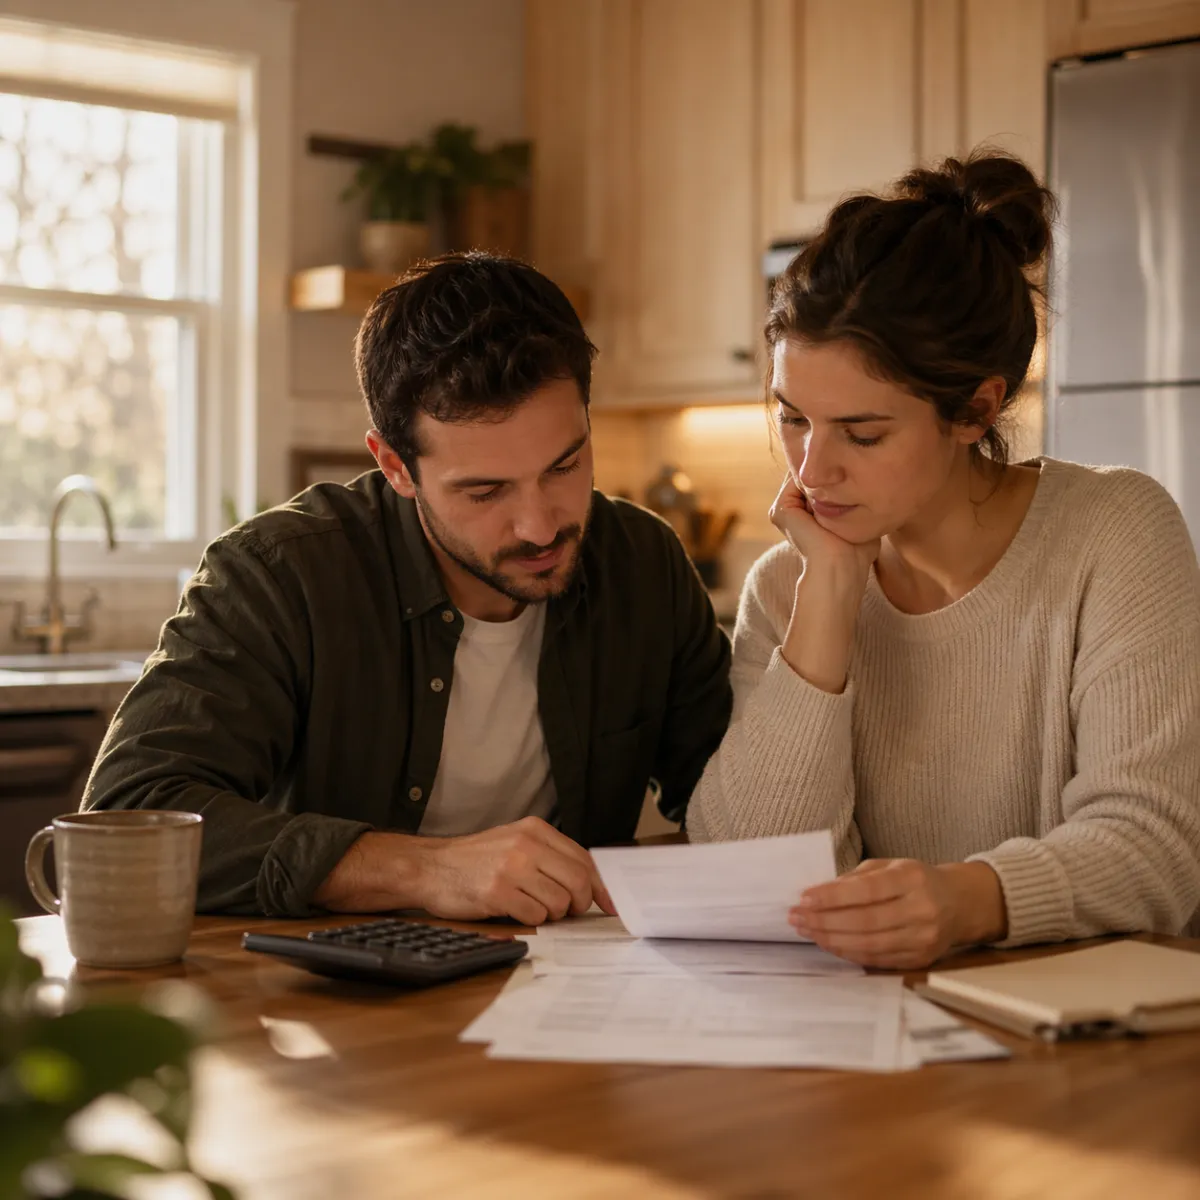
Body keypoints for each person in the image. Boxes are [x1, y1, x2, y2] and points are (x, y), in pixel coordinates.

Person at [84, 252, 732, 921]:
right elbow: (128, 813)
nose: (540, 526)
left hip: (573, 989)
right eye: (485, 490)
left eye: (565, 466)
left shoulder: (642, 564)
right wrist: (420, 870)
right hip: (326, 1003)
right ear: (395, 466)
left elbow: (739, 812)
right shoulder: (282, 573)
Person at [687, 151, 1200, 968]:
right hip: (876, 1043)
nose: (811, 471)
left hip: (1086, 1052)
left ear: (976, 408)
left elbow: (1156, 849)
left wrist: (964, 900)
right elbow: (751, 870)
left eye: (862, 433)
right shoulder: (790, 581)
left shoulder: (1114, 532)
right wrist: (830, 596)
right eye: (792, 418)